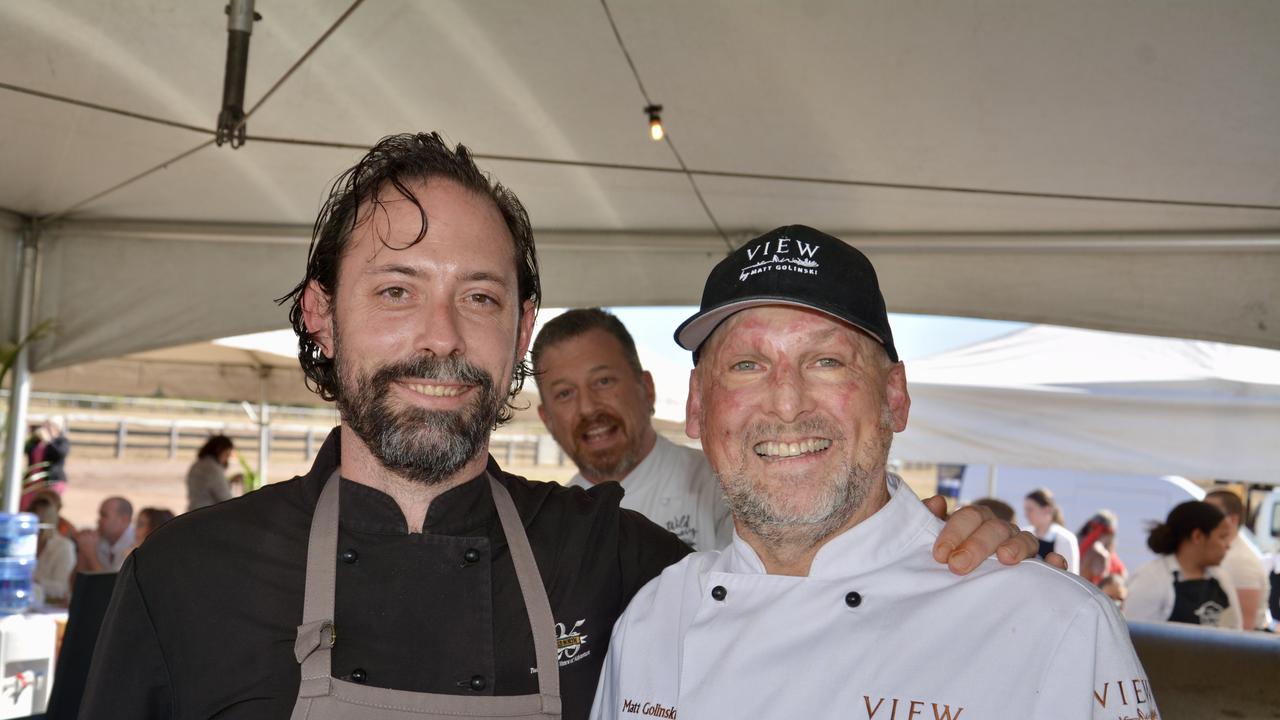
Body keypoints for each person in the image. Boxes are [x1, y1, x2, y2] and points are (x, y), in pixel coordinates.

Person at [80, 135, 1042, 720]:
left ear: (521, 332)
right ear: (321, 317)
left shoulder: (622, 563)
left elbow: (822, 619)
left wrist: (939, 551)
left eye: (483, 297)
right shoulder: (182, 579)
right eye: (396, 291)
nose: (443, 339)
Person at [591, 225, 1156, 719]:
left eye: (827, 361)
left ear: (895, 396)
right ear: (697, 408)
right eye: (746, 365)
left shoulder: (1056, 625)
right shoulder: (652, 619)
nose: (786, 404)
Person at [532, 308, 732, 550]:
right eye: (564, 393)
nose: (587, 408)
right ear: (547, 419)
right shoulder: (549, 529)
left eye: (603, 381)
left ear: (646, 388)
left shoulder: (721, 489)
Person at [1124, 500, 1241, 629]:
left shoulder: (1221, 578)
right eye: (1222, 537)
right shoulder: (1150, 579)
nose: (1228, 545)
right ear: (1197, 536)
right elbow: (1134, 637)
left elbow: (1235, 630)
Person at [1202, 490, 1269, 630]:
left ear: (1233, 520)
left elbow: (1246, 626)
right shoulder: (1226, 555)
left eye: (1210, 512)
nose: (1202, 517)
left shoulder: (1240, 561)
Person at [30, 492, 76, 605]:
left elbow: (63, 588)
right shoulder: (23, 544)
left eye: (41, 523)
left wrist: (34, 582)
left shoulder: (64, 546)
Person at [1025, 487, 1080, 573]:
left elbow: (1071, 574)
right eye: (1026, 510)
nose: (1026, 515)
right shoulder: (1026, 533)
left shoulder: (1064, 539)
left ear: (1047, 510)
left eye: (1030, 510)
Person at [74, 496, 135, 573]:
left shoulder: (135, 545)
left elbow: (113, 583)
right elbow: (80, 581)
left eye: (104, 515)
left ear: (124, 520)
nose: (98, 520)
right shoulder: (103, 538)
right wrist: (83, 550)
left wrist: (91, 556)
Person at [21, 416, 70, 508]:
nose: (46, 427)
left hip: (51, 481)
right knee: (25, 505)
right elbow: (25, 449)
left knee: (45, 507)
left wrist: (48, 441)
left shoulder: (62, 441)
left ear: (58, 428)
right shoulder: (37, 441)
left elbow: (59, 454)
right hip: (33, 480)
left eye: (50, 425)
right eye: (45, 424)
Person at [186, 435, 242, 511]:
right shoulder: (213, 468)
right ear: (219, 450)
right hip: (207, 514)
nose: (226, 459)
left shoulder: (197, 465)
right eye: (226, 455)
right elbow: (225, 497)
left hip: (193, 511)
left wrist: (229, 482)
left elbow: (208, 489)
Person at [1078, 510, 1126, 585]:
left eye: (1106, 532)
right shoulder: (1081, 544)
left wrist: (1105, 556)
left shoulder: (1112, 559)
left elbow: (1122, 575)